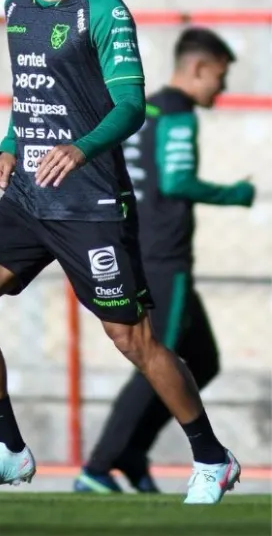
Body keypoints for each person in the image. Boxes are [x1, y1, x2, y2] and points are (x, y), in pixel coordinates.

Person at [0, 0, 239, 505]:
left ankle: (212, 457)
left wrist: (79, 148)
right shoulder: (18, 7)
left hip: (90, 202)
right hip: (28, 196)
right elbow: (32, 92)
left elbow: (130, 105)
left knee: (134, 340)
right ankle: (7, 449)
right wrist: (8, 144)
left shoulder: (103, 9)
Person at [74, 28, 255, 493]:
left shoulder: (146, 109)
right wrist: (235, 194)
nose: (223, 87)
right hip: (164, 256)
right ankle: (99, 466)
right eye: (221, 75)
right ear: (199, 67)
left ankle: (132, 453)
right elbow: (176, 181)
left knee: (203, 360)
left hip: (137, 244)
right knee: (158, 357)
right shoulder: (178, 114)